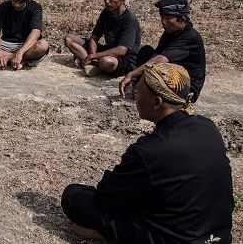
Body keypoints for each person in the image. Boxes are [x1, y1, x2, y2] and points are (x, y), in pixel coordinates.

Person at [61, 63, 233, 243]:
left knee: (74, 196)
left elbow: (106, 199)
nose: (135, 99)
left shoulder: (150, 150)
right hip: (219, 235)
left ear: (157, 102)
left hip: (172, 239)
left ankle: (106, 234)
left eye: (138, 94)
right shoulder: (208, 127)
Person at [119, 0, 205, 102]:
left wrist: (131, 74)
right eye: (162, 17)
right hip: (171, 75)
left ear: (182, 20)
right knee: (146, 52)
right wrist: (139, 78)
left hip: (186, 88)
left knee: (154, 67)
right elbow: (156, 55)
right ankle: (141, 88)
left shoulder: (191, 37)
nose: (163, 22)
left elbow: (161, 59)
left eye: (168, 18)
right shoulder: (170, 33)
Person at [63, 0, 141, 77]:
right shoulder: (106, 12)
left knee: (107, 61)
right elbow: (94, 38)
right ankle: (93, 64)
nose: (107, 1)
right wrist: (93, 55)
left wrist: (94, 56)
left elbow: (121, 50)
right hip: (108, 50)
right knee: (69, 39)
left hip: (124, 58)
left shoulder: (129, 18)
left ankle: (94, 65)